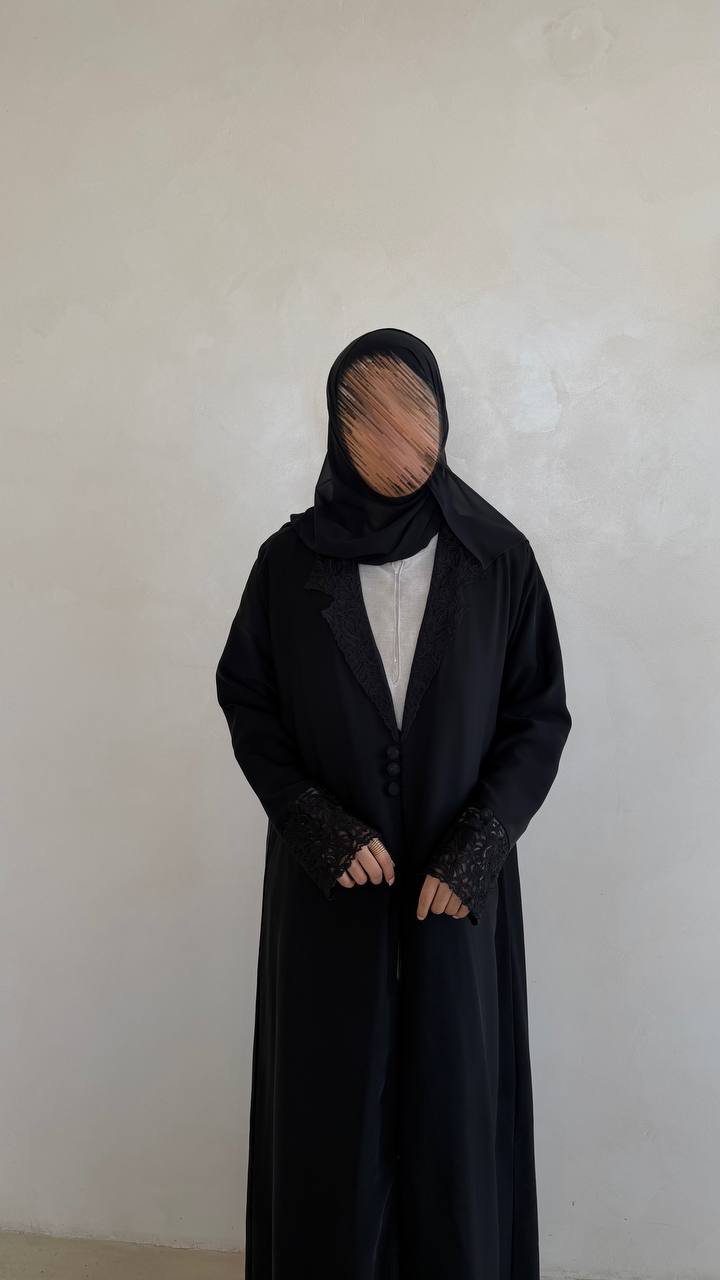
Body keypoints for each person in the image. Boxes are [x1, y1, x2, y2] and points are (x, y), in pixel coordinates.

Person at [215, 326, 572, 1280]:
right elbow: (248, 701)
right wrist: (312, 821)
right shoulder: (288, 566)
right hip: (333, 890)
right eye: (367, 416)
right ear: (337, 427)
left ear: (442, 419)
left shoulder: (497, 561)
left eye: (414, 415)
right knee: (333, 1114)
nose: (396, 439)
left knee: (458, 1109)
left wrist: (481, 842)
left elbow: (538, 714)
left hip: (458, 896)